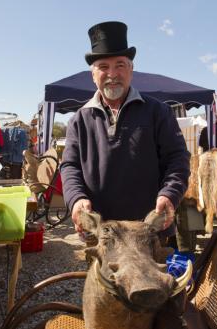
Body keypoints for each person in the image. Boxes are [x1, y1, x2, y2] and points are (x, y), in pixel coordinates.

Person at [61, 21, 190, 236]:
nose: (112, 74)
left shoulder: (157, 111)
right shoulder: (80, 119)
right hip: (100, 234)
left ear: (131, 70)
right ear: (93, 75)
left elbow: (177, 158)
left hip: (149, 233)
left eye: (120, 65)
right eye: (103, 67)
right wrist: (76, 199)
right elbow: (69, 166)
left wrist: (170, 193)